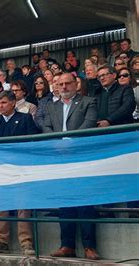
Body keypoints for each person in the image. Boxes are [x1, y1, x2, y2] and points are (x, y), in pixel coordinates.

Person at [42, 73, 100, 260]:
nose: (64, 87)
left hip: (81, 156)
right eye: (61, 84)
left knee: (85, 202)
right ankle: (67, 245)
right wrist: (57, 142)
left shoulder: (88, 101)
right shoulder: (52, 106)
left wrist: (69, 142)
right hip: (60, 158)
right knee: (65, 202)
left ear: (76, 84)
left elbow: (89, 123)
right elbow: (46, 127)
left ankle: (89, 247)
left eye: (68, 83)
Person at [0, 91, 38, 256]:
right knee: (1, 205)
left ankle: (26, 243)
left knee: (23, 205)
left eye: (4, 103)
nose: (0, 106)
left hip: (20, 169)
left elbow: (33, 140)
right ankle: (1, 241)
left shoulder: (25, 118)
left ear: (13, 103)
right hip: (0, 170)